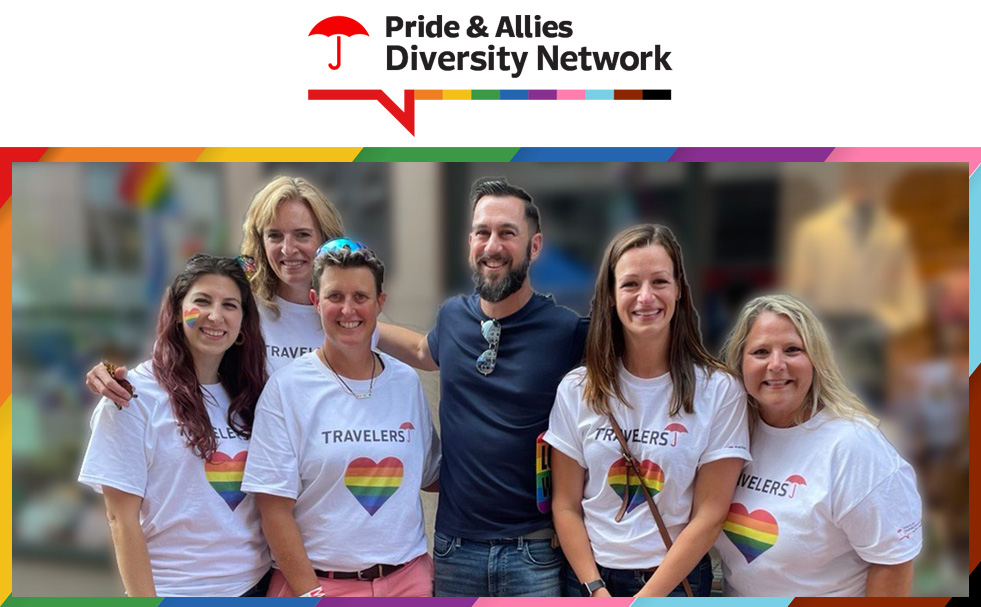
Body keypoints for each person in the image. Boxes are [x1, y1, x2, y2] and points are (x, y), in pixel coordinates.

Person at [378, 178, 589, 597]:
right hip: (456, 549)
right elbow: (423, 350)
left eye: (507, 233)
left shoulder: (567, 332)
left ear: (535, 246)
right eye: (482, 232)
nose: (492, 245)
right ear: (470, 241)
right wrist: (353, 321)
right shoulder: (453, 317)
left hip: (533, 553)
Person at [545, 224, 751, 597]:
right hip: (591, 580)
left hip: (676, 582)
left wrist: (647, 598)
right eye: (629, 284)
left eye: (659, 281)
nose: (646, 297)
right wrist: (595, 588)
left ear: (678, 291)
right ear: (610, 295)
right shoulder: (577, 388)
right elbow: (566, 505)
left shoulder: (719, 391)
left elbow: (710, 515)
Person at [241, 238, 440, 598]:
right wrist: (309, 593)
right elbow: (273, 510)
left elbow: (431, 476)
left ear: (380, 303)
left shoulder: (406, 382)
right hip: (318, 585)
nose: (348, 310)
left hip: (407, 582)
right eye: (335, 297)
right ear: (316, 302)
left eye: (361, 297)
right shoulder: (287, 389)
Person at [78, 254, 271, 597]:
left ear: (243, 325)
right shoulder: (132, 395)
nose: (215, 315)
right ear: (179, 312)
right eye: (202, 301)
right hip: (175, 590)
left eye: (230, 305)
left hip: (256, 586)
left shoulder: (251, 396)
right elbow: (120, 520)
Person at [717, 294, 922, 597]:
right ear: (740, 362)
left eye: (792, 350)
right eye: (760, 352)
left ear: (816, 360)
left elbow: (893, 562)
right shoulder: (731, 434)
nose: (776, 364)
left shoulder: (853, 446)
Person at [85, 175, 345, 405]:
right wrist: (110, 375)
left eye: (302, 235)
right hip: (244, 457)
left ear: (325, 238)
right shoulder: (236, 306)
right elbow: (166, 367)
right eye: (275, 236)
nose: (288, 249)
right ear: (260, 242)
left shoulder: (351, 314)